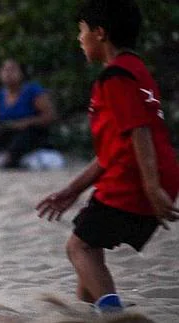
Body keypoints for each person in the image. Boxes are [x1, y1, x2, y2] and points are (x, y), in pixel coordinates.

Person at [36, 0, 179, 313]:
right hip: (153, 173)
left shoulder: (114, 77)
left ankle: (114, 316)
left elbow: (139, 130)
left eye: (82, 30)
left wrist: (151, 186)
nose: (79, 38)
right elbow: (111, 151)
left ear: (99, 33)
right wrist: (72, 190)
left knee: (79, 246)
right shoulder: (138, 70)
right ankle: (91, 310)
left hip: (135, 179)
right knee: (90, 255)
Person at [0, 58, 56, 168]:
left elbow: (50, 116)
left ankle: (7, 158)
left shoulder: (32, 91)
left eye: (12, 70)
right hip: (7, 131)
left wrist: (24, 123)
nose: (8, 74)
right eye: (5, 70)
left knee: (26, 135)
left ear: (21, 73)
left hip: (30, 130)